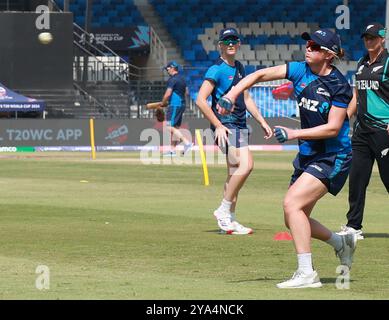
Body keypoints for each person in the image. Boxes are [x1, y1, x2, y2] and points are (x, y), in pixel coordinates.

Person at [219, 29, 358, 288]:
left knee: (291, 204)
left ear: (328, 55)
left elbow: (332, 128)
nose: (307, 47)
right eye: (307, 43)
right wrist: (232, 93)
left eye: (314, 45)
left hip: (333, 155)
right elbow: (259, 75)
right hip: (308, 154)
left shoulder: (339, 86)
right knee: (294, 217)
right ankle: (341, 242)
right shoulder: (298, 69)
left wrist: (294, 132)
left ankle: (307, 274)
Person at [196, 28, 273, 235]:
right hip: (226, 126)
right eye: (226, 40)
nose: (230, 44)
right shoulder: (216, 69)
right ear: (220, 45)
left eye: (234, 40)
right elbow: (200, 100)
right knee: (246, 165)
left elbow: (246, 98)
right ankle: (223, 210)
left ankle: (229, 220)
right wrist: (218, 125)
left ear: (238, 44)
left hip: (239, 124)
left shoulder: (239, 67)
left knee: (233, 174)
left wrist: (262, 121)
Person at [338, 23, 389, 239]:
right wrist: (343, 120)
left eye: (373, 38)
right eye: (366, 38)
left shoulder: (388, 62)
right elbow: (357, 96)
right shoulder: (361, 63)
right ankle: (354, 226)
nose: (369, 41)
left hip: (383, 131)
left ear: (382, 39)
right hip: (361, 131)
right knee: (357, 178)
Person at [159, 61, 193, 156]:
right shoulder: (182, 79)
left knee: (169, 126)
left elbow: (168, 93)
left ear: (172, 68)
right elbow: (186, 92)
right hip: (182, 104)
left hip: (175, 105)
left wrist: (163, 103)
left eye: (167, 68)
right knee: (175, 128)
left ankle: (187, 143)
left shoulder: (172, 80)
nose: (167, 70)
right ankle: (172, 150)